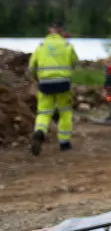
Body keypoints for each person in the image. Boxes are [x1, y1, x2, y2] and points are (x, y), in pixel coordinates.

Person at [28, 21, 79, 156]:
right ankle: (64, 143)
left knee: (44, 113)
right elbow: (74, 62)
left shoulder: (41, 45)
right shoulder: (67, 45)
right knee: (65, 112)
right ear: (62, 31)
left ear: (50, 30)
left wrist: (37, 78)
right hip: (63, 84)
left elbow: (32, 66)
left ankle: (40, 132)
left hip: (45, 84)